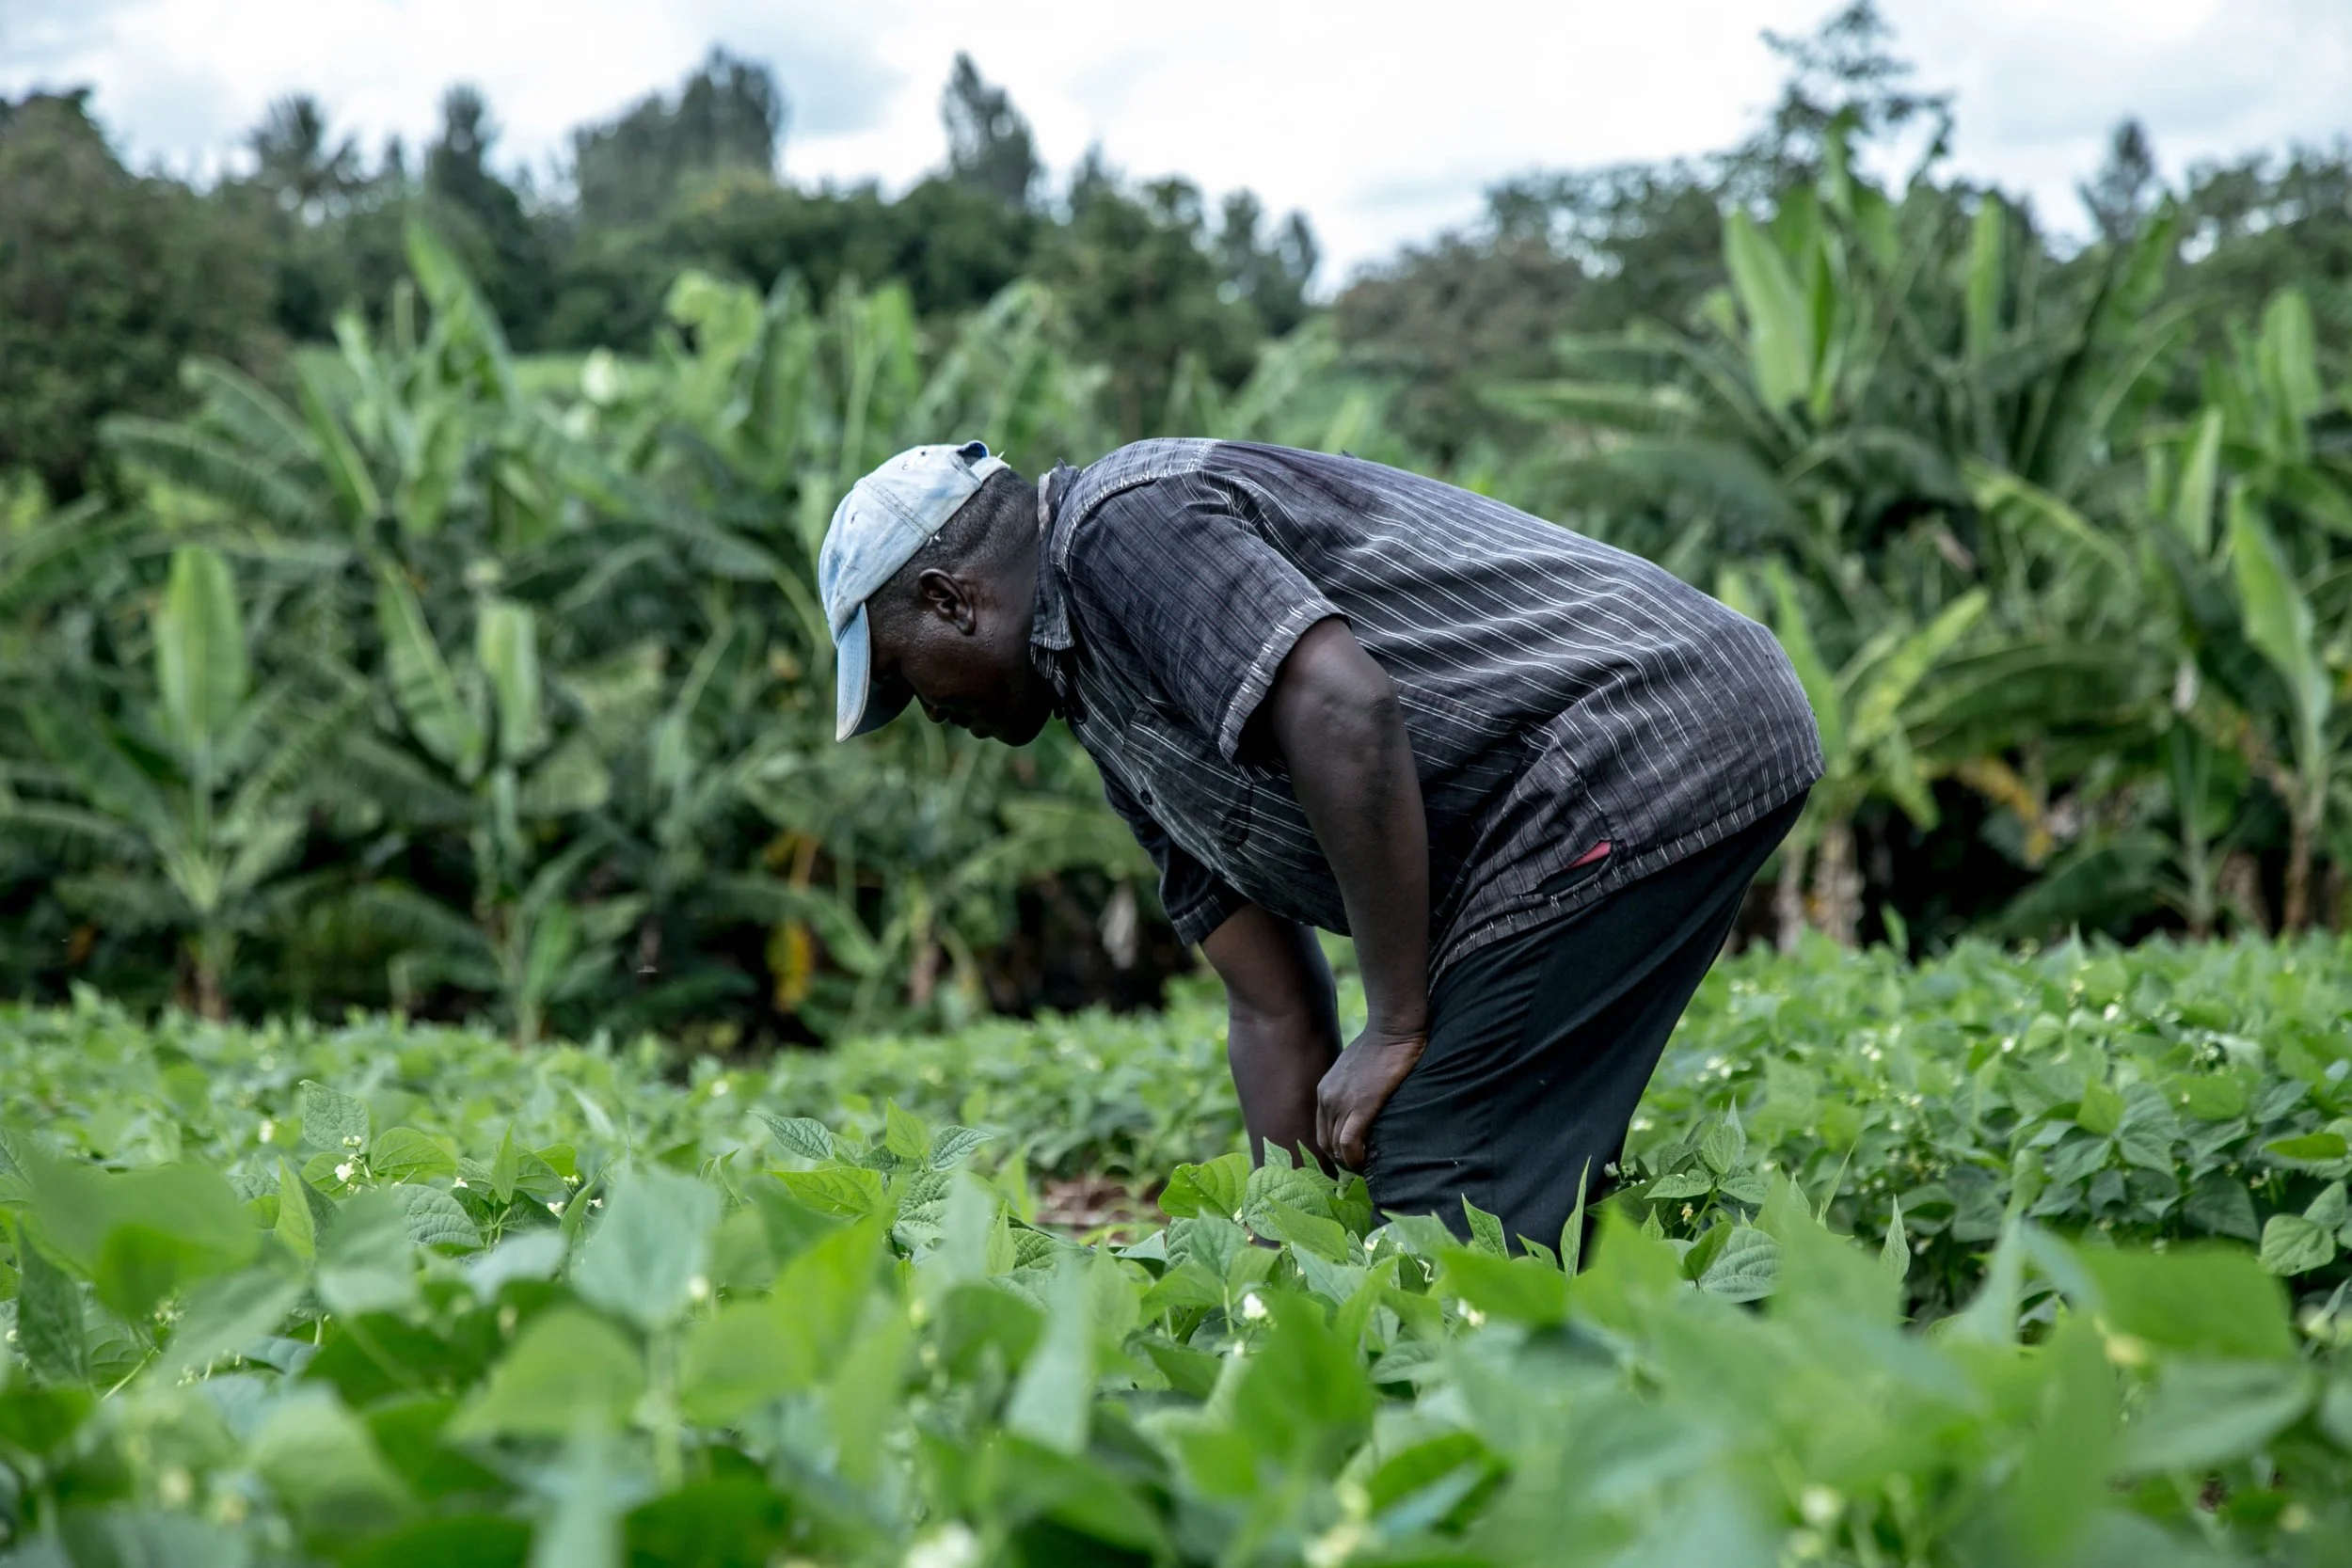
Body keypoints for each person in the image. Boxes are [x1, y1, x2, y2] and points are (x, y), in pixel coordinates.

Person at [820, 437, 1821, 1251]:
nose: (930, 713)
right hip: (1602, 773)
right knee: (1488, 1172)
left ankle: (1510, 1453)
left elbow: (1343, 706)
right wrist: (1279, 1241)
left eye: (909, 681)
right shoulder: (1106, 707)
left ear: (953, 599)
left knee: (1447, 1168)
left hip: (1638, 738)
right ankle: (1667, 1375)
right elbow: (1270, 1001)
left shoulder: (1123, 526)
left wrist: (1393, 1024)